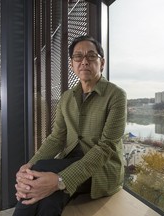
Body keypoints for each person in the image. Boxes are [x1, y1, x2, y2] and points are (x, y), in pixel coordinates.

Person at [13, 35, 127, 216]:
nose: (84, 61)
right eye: (78, 57)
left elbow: (106, 149)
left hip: (101, 170)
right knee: (48, 192)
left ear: (102, 63)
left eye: (91, 56)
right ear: (72, 64)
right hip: (72, 161)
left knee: (42, 172)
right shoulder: (67, 97)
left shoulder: (116, 96)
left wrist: (60, 179)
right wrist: (28, 167)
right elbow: (57, 138)